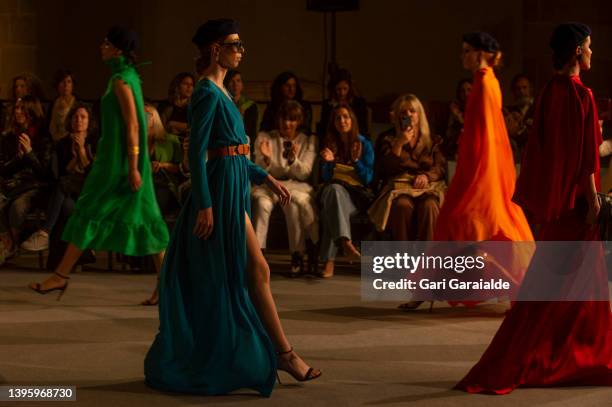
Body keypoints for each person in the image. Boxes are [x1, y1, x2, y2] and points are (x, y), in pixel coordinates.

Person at [144, 19, 321, 397]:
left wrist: (265, 177)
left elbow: (234, 148)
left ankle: (280, 353)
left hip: (235, 182)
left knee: (253, 270)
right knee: (256, 269)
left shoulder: (222, 90)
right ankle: (284, 354)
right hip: (220, 192)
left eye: (241, 44)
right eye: (234, 44)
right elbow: (197, 151)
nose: (241, 50)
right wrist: (205, 205)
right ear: (214, 49)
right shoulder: (206, 92)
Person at [456, 22, 612, 394]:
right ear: (577, 51)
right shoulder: (580, 95)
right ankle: (572, 358)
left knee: (550, 290)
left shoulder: (548, 93)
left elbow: (547, 154)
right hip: (577, 208)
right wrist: (592, 200)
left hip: (556, 209)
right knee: (575, 290)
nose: (592, 53)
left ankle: (555, 356)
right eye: (588, 47)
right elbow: (584, 159)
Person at [28, 26, 168, 303]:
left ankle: (61, 275)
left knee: (94, 212)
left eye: (105, 43)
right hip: (120, 163)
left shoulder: (121, 80)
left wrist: (131, 167)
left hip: (119, 166)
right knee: (143, 219)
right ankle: (61, 274)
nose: (100, 47)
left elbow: (132, 125)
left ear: (117, 49)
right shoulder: (126, 77)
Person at [428, 32, 534, 309]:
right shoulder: (484, 81)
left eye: (466, 51)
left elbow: (488, 134)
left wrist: (476, 174)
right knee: (474, 225)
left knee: (472, 224)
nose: (462, 56)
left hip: (481, 167)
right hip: (479, 163)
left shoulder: (486, 83)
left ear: (480, 53)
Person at [252, 100, 317, 276]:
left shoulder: (307, 140)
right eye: (284, 119)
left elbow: (304, 173)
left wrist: (292, 159)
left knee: (293, 205)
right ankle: (258, 254)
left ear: (298, 121)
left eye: (292, 119)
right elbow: (257, 169)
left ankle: (297, 254)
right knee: (261, 203)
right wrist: (266, 159)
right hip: (269, 184)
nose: (287, 124)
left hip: (294, 185)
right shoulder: (266, 137)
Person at [368, 94, 446, 241]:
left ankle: (428, 258)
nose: (408, 115)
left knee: (430, 206)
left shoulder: (433, 139)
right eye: (403, 112)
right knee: (402, 206)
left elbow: (440, 167)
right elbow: (385, 169)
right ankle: (404, 257)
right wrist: (399, 143)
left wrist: (426, 176)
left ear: (419, 114)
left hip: (426, 187)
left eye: (412, 111)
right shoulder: (387, 138)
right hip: (398, 188)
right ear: (397, 116)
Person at [21, 103, 96, 253]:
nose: (78, 120)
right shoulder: (62, 144)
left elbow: (93, 174)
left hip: (89, 190)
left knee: (64, 187)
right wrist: (74, 159)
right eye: (75, 117)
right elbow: (60, 174)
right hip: (67, 192)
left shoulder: (94, 143)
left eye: (83, 117)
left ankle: (45, 232)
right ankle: (80, 255)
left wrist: (81, 150)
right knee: (67, 206)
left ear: (89, 121)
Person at [319, 104, 374, 278]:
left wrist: (357, 161)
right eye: (338, 118)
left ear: (352, 120)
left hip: (355, 197)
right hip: (335, 192)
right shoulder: (330, 144)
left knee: (332, 209)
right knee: (333, 191)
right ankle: (346, 244)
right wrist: (329, 162)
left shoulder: (363, 144)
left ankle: (329, 261)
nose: (342, 121)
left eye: (345, 117)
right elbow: (326, 178)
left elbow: (367, 179)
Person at [0, 96, 51, 259]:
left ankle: (11, 246)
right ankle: (9, 243)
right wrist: (19, 159)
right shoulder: (9, 137)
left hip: (33, 186)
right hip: (12, 184)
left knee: (17, 207)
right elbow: (3, 171)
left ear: (31, 112)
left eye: (22, 108)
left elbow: (45, 174)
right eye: (16, 108)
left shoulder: (43, 138)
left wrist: (29, 153)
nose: (18, 112)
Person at [145, 104, 183, 215]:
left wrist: (162, 165)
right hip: (142, 182)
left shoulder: (170, 140)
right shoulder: (135, 142)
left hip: (163, 182)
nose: (143, 117)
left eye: (147, 115)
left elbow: (180, 169)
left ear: (154, 118)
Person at [319, 68, 369, 136]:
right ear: (333, 89)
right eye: (338, 89)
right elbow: (324, 129)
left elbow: (363, 128)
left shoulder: (359, 103)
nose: (342, 93)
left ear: (350, 88)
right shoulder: (327, 105)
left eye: (345, 89)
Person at [225, 69, 259, 144]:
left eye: (238, 81)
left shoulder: (250, 105)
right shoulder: (223, 104)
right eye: (231, 81)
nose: (235, 84)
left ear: (242, 84)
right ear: (226, 84)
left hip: (245, 144)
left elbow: (252, 131)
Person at [158, 72, 195, 138]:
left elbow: (196, 126)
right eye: (185, 84)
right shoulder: (165, 105)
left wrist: (173, 124)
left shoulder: (194, 106)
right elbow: (160, 127)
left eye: (191, 85)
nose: (189, 87)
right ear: (177, 86)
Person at [442, 78, 472, 160]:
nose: (466, 93)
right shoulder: (455, 107)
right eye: (462, 91)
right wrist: (457, 116)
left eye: (469, 90)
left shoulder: (480, 108)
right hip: (456, 143)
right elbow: (449, 133)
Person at [48, 69, 77, 142]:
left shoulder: (78, 104)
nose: (66, 85)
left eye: (69, 82)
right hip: (55, 142)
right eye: (62, 81)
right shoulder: (53, 103)